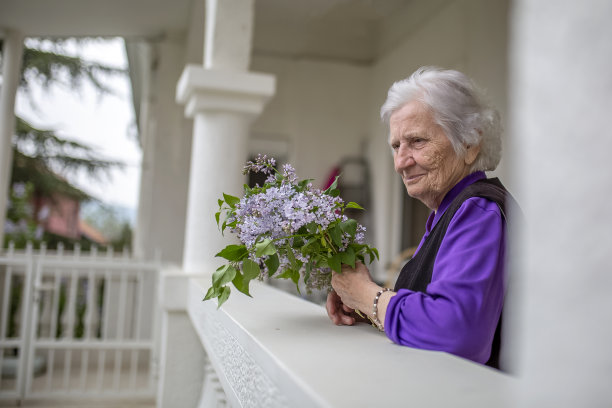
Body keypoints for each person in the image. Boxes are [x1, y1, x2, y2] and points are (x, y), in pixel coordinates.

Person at [326, 66, 514, 368]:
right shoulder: (448, 214)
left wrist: (368, 296)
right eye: (396, 146)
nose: (401, 162)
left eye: (417, 142)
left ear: (469, 144)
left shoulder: (478, 211)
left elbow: (458, 333)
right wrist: (363, 305)